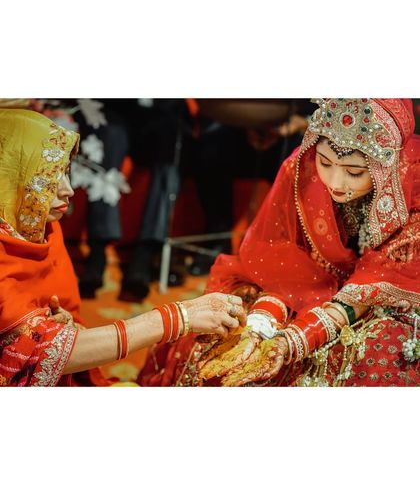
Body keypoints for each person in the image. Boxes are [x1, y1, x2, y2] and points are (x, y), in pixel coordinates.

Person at [138, 98, 420, 387]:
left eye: (355, 172)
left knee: (383, 350)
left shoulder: (414, 183)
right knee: (221, 329)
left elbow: (378, 282)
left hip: (383, 297)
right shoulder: (302, 170)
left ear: (386, 164)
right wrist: (260, 326)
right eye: (326, 162)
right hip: (308, 287)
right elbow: (279, 260)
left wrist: (295, 340)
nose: (336, 181)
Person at [0, 108, 245, 387]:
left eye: (66, 173)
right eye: (47, 178)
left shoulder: (40, 226)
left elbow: (47, 333)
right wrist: (176, 318)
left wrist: (57, 326)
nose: (68, 190)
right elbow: (33, 355)